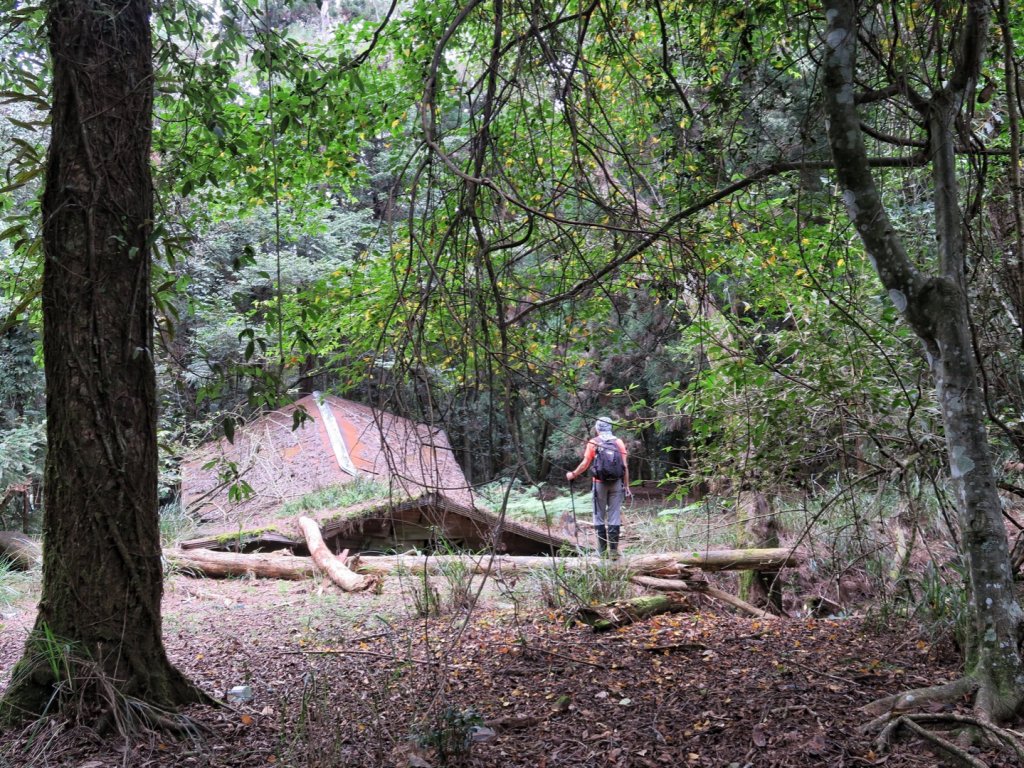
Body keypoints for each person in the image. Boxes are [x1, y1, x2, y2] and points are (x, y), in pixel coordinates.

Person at [566, 417, 630, 558]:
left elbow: (585, 464)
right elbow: (624, 466)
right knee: (614, 515)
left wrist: (573, 474)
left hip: (599, 483)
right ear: (610, 428)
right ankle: (613, 552)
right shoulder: (618, 442)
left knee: (598, 516)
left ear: (597, 429)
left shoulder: (594, 442)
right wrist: (626, 485)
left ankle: (601, 552)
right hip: (616, 483)